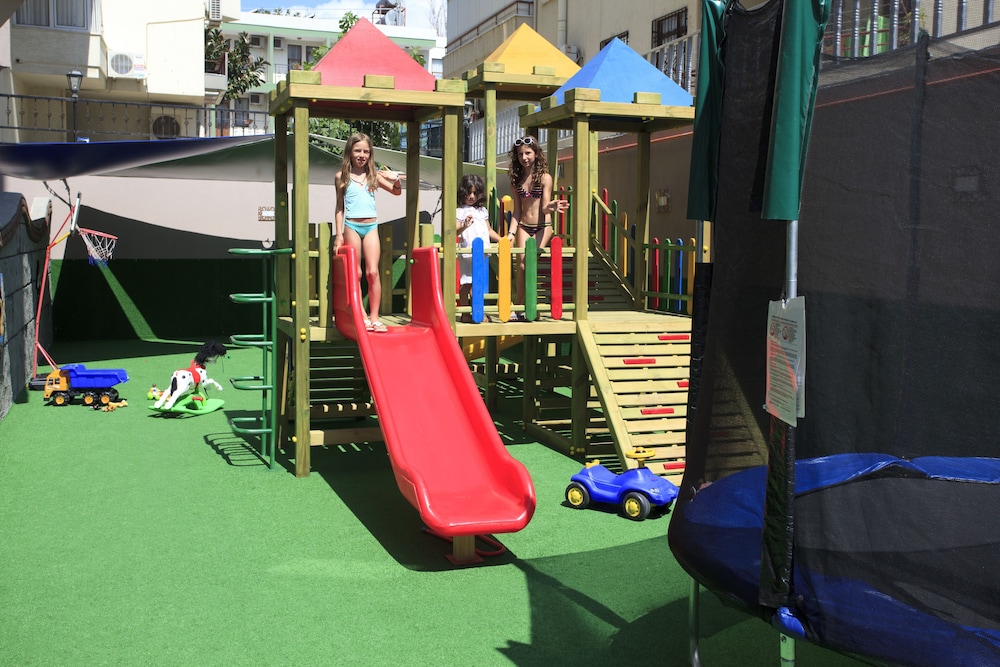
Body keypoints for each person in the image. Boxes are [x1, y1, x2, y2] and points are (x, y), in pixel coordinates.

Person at [334, 132, 402, 333]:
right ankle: (362, 315)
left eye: (366, 151)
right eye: (358, 151)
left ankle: (374, 317)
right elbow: (339, 207)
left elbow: (396, 191)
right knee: (356, 273)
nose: (362, 155)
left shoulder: (374, 176)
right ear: (350, 152)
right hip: (351, 225)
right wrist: (338, 234)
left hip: (371, 226)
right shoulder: (341, 177)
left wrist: (396, 179)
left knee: (372, 272)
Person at [505, 135, 568, 321]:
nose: (524, 157)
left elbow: (544, 207)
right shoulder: (516, 180)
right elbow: (517, 211)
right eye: (520, 154)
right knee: (521, 266)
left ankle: (531, 306)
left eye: (528, 153)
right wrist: (511, 233)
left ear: (536, 154)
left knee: (530, 264)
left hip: (543, 226)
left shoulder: (545, 178)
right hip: (524, 226)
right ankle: (519, 307)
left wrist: (552, 206)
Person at [456, 174, 500, 322]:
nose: (471, 196)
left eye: (475, 193)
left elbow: (489, 230)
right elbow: (455, 231)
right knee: (467, 283)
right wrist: (464, 225)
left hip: (482, 252)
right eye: (468, 193)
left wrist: (501, 239)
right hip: (468, 252)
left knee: (478, 283)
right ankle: (466, 312)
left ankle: (478, 312)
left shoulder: (482, 211)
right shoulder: (460, 211)